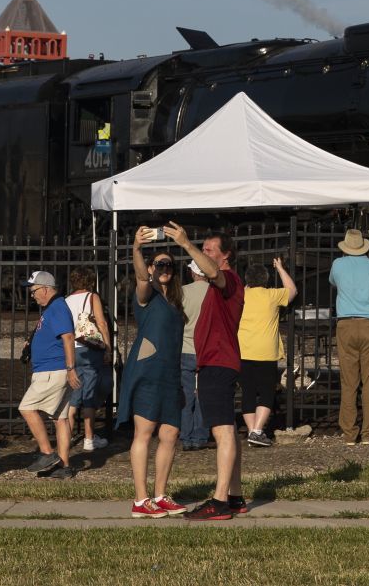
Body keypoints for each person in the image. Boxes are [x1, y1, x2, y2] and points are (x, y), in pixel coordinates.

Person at [171, 222, 249, 521]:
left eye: (209, 250)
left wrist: (186, 244)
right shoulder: (221, 283)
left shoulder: (227, 278)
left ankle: (218, 501)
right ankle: (235, 496)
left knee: (223, 431)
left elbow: (215, 273)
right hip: (217, 361)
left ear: (225, 255)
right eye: (202, 249)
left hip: (218, 362)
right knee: (228, 428)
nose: (202, 254)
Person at [120, 228, 190, 518]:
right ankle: (140, 499)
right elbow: (139, 277)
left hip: (170, 373)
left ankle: (160, 495)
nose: (164, 269)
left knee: (171, 433)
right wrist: (136, 247)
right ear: (151, 268)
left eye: (169, 265)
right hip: (147, 371)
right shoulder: (146, 296)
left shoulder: (175, 301)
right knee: (144, 433)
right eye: (159, 264)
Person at [330, 229, 369, 447]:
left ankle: (349, 433)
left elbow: (335, 283)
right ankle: (368, 433)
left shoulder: (337, 265)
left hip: (346, 324)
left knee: (348, 382)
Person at [17, 270, 82, 477]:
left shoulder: (57, 308)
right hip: (53, 369)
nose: (31, 294)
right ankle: (64, 467)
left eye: (33, 290)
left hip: (53, 370)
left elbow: (69, 337)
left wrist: (71, 368)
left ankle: (47, 453)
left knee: (26, 408)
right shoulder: (52, 309)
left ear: (45, 289)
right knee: (60, 418)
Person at [240, 256, 296, 447]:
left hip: (243, 350)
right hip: (265, 351)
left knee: (247, 393)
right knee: (266, 393)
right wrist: (280, 268)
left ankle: (251, 431)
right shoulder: (271, 295)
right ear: (266, 280)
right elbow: (292, 290)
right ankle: (257, 431)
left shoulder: (241, 295)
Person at [63, 268, 113, 454]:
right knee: (89, 395)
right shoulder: (92, 297)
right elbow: (101, 323)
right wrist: (107, 347)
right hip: (90, 349)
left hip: (72, 350)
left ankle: (65, 438)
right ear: (90, 282)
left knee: (74, 396)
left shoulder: (66, 301)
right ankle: (89, 438)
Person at [179, 261, 212, 451]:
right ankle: (200, 436)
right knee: (203, 395)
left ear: (192, 272)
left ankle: (185, 436)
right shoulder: (213, 292)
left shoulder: (183, 291)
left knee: (186, 395)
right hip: (206, 349)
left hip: (186, 348)